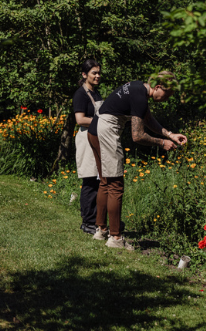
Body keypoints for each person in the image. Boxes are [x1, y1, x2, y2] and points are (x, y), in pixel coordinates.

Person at [87, 72, 188, 250]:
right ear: (158, 87)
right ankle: (116, 238)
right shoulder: (140, 96)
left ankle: (101, 230)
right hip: (106, 131)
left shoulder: (137, 87)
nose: (167, 99)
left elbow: (147, 119)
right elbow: (137, 136)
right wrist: (162, 143)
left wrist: (169, 134)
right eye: (168, 94)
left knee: (105, 181)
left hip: (95, 130)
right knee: (116, 184)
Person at [72, 59, 103, 235]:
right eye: (94, 73)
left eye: (99, 73)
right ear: (84, 75)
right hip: (86, 138)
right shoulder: (81, 95)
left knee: (99, 181)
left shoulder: (96, 93)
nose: (98, 76)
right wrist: (103, 121)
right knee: (90, 180)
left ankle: (97, 220)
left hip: (98, 138)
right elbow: (80, 119)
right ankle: (87, 222)